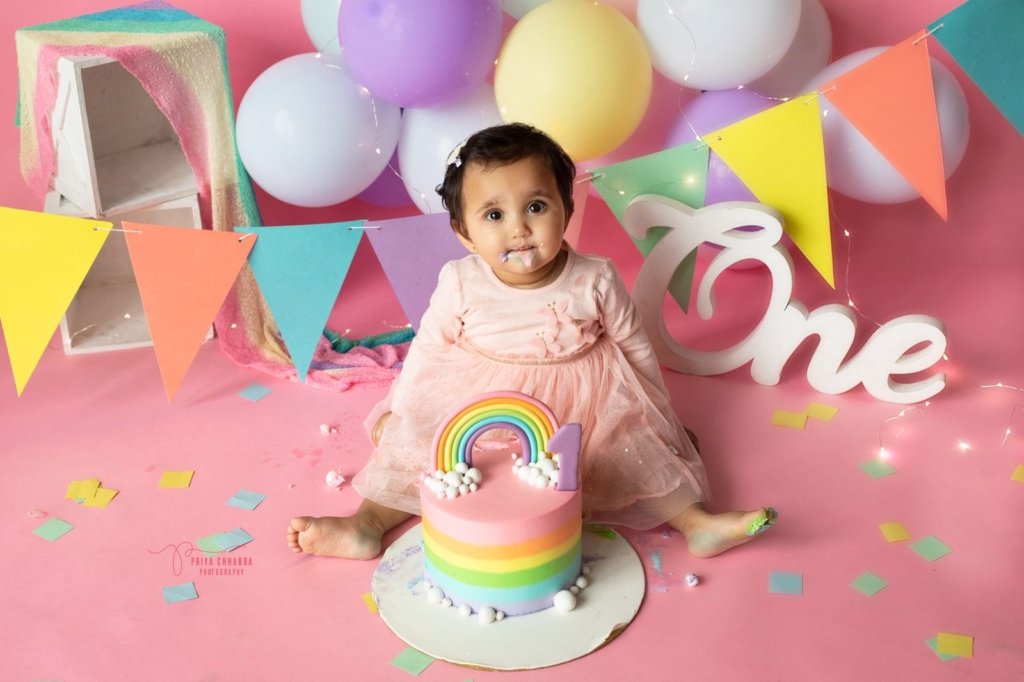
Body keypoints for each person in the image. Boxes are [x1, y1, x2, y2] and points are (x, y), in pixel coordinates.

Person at [287, 123, 776, 560]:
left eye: (536, 207)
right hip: (478, 398)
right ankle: (366, 525)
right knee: (420, 452)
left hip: (583, 403)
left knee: (628, 453)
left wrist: (660, 418)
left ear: (566, 210)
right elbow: (430, 349)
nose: (519, 228)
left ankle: (697, 525)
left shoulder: (595, 277)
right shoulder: (461, 281)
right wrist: (404, 409)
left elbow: (635, 348)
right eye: (493, 215)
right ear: (464, 232)